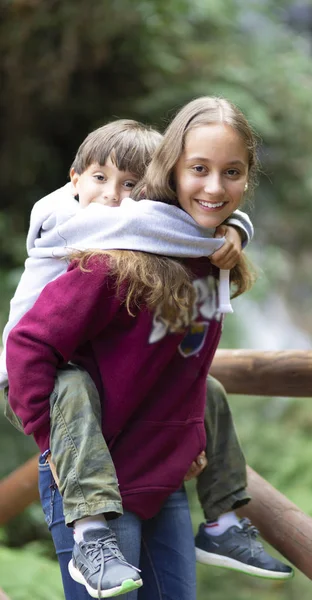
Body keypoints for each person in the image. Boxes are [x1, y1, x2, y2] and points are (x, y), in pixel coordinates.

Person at [3, 107, 291, 599]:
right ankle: (95, 532)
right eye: (198, 169)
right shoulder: (107, 253)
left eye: (232, 172)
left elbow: (181, 362)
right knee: (70, 384)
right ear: (172, 171)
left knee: (211, 388)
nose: (215, 188)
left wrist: (187, 435)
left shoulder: (206, 251)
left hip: (160, 473)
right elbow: (28, 345)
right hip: (91, 478)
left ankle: (222, 523)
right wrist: (52, 443)